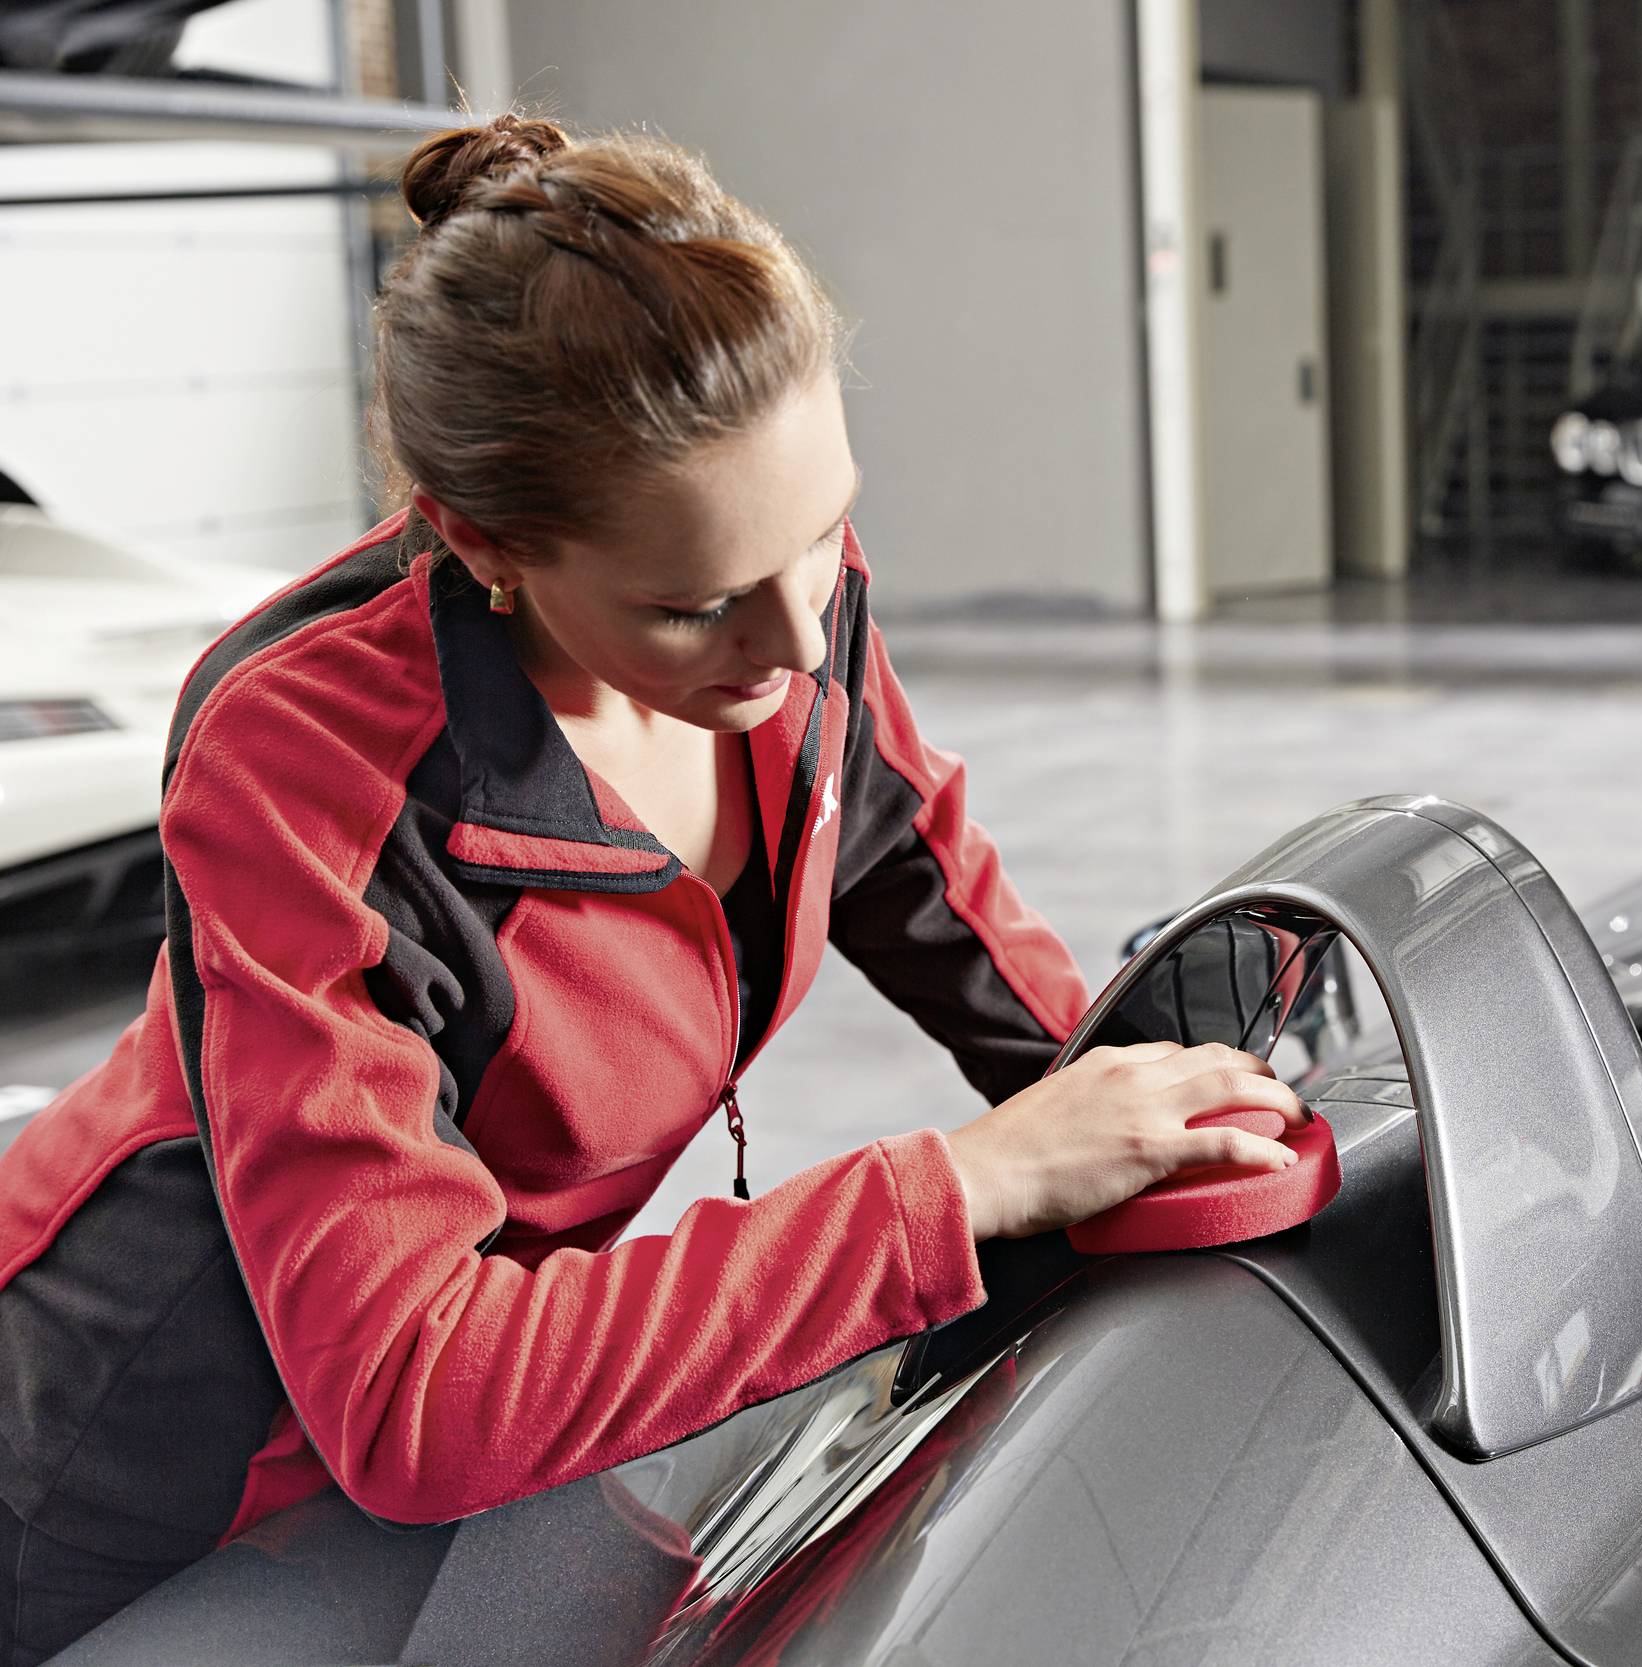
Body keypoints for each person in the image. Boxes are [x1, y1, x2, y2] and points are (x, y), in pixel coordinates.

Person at [0, 113, 1305, 1664]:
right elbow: (412, 1391)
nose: (802, 646)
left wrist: (1135, 1088)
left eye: (824, 537)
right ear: (486, 544)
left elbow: (900, 849)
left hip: (491, 1407)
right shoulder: (307, 755)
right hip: (149, 1455)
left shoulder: (769, 580)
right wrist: (965, 1185)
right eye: (692, 608)